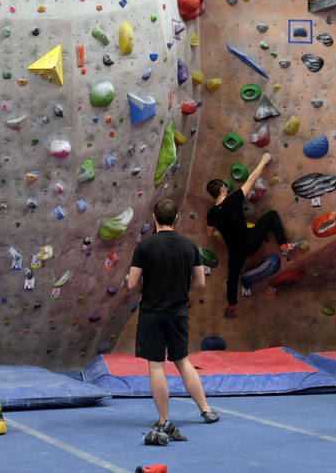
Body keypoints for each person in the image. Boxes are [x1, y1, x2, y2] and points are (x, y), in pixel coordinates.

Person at [128, 198, 220, 446]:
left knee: (156, 366)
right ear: (176, 219)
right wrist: (180, 291)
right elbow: (200, 283)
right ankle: (206, 410)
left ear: (155, 218)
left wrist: (150, 290)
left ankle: (163, 419)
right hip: (178, 312)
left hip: (152, 313)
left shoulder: (145, 247)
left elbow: (132, 283)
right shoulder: (189, 246)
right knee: (183, 361)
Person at [205, 152, 300, 318]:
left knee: (232, 279)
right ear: (223, 189)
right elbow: (251, 180)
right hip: (250, 241)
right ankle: (284, 246)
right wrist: (262, 162)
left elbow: (209, 234)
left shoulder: (211, 214)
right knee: (271, 215)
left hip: (235, 252)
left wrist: (219, 238)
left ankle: (232, 307)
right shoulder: (233, 199)